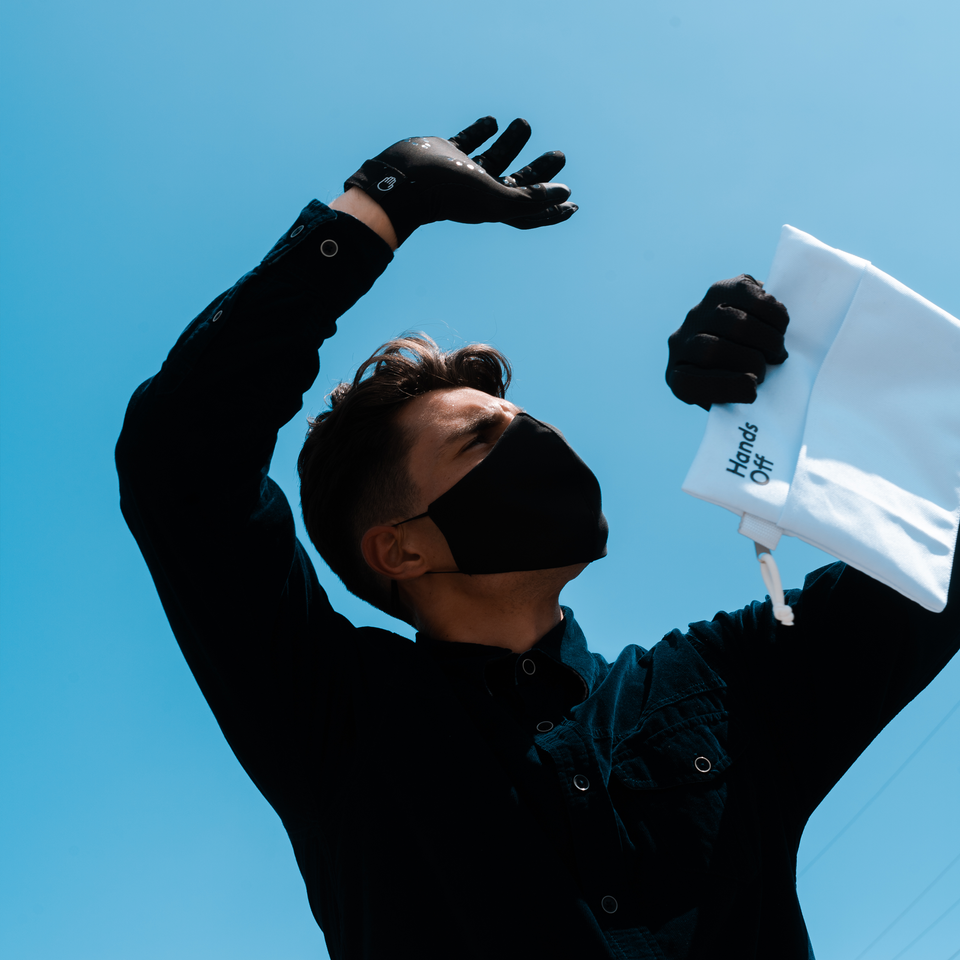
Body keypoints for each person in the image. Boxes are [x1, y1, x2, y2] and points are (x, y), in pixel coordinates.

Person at [115, 115, 960, 960]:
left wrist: (807, 389)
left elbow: (945, 553)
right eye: (481, 441)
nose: (541, 442)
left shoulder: (723, 682)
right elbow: (178, 461)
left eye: (527, 421)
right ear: (401, 549)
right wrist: (385, 200)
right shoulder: (342, 725)